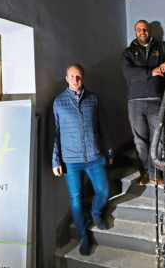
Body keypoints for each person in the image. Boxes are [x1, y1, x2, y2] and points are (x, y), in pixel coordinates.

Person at [52, 63, 113, 256]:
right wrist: (56, 161)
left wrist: (109, 151)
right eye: (72, 76)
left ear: (83, 78)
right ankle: (84, 236)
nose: (75, 80)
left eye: (78, 76)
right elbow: (55, 134)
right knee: (76, 200)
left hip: (95, 156)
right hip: (71, 160)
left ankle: (96, 212)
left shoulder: (93, 99)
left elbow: (104, 126)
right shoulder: (58, 102)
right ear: (66, 78)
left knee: (103, 190)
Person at [121, 20, 165, 185]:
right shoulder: (128, 52)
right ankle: (144, 173)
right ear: (135, 32)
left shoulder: (160, 48)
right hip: (135, 102)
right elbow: (128, 72)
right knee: (140, 140)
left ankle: (156, 174)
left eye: (145, 29)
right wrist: (152, 71)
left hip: (156, 101)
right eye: (139, 29)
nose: (142, 31)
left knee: (158, 138)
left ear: (149, 31)